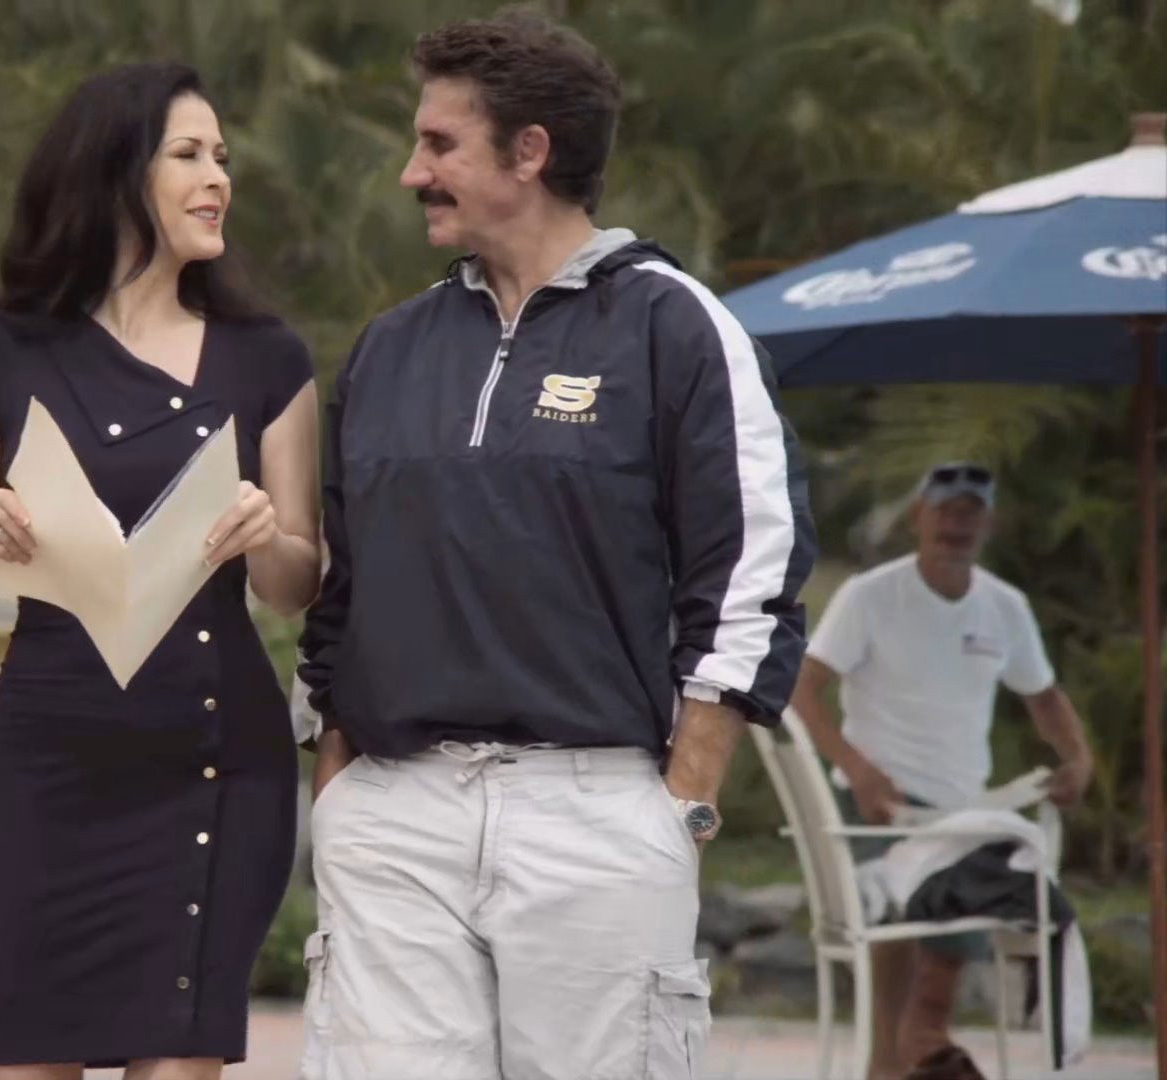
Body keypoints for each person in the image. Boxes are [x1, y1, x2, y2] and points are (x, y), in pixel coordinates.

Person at [293, 10, 815, 1079]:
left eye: (439, 144)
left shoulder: (676, 328)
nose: (412, 173)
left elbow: (750, 571)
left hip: (596, 814)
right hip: (394, 816)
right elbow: (341, 584)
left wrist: (682, 802)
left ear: (528, 151)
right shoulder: (390, 349)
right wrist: (338, 783)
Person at [0, 63, 320, 1079]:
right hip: (48, 767)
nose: (218, 178)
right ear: (113, 174)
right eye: (189, 155)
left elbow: (295, 585)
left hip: (213, 764)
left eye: (222, 157)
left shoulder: (268, 358)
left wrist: (265, 535)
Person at [790, 462, 1093, 1080]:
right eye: (945, 510)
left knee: (995, 871)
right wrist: (859, 770)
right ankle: (908, 1055)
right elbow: (802, 689)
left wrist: (1079, 759)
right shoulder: (870, 596)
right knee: (910, 904)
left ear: (989, 524)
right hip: (877, 808)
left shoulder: (1004, 606)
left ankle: (920, 1047)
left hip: (963, 815)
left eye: (970, 513)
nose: (956, 524)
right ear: (917, 518)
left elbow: (1044, 698)